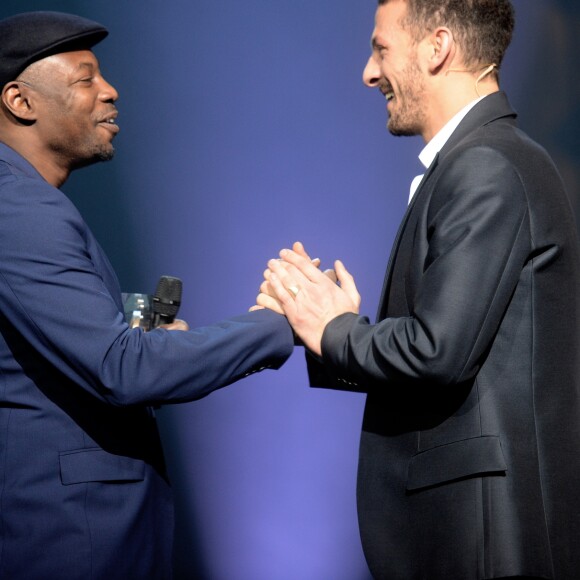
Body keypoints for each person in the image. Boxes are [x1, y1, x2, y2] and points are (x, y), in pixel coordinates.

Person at [258, 0, 580, 578]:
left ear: (437, 48)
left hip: (481, 543)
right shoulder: (475, 162)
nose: (369, 72)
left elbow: (436, 353)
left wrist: (336, 330)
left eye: (381, 49)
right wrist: (328, 328)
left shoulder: (486, 165)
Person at [0, 11, 294, 579]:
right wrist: (282, 323)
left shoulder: (32, 203)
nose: (110, 91)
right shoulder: (18, 208)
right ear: (20, 101)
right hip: (70, 541)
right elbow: (122, 370)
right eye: (85, 79)